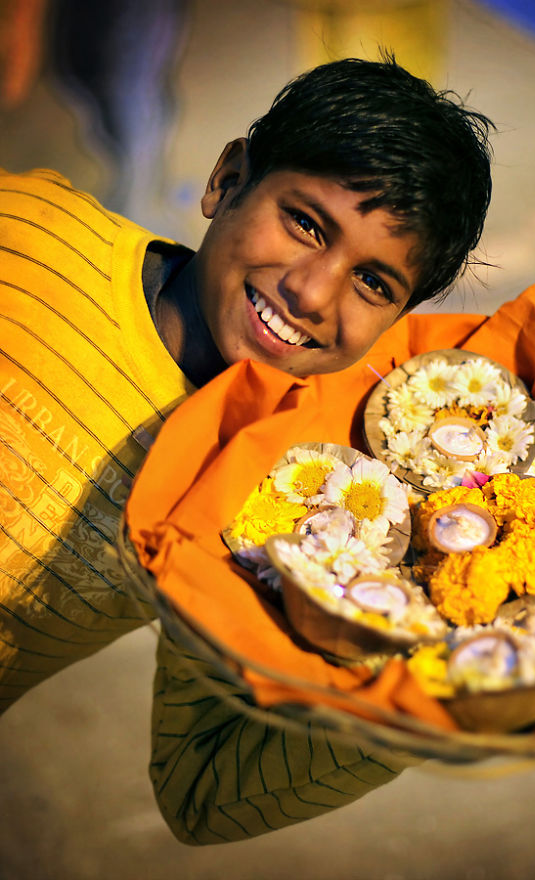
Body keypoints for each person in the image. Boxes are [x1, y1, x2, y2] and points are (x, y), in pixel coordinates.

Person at [0, 55, 493, 843]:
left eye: (372, 282)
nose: (312, 291)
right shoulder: (27, 242)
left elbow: (204, 789)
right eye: (305, 222)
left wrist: (419, 694)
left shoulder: (276, 500)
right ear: (227, 178)